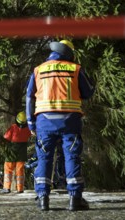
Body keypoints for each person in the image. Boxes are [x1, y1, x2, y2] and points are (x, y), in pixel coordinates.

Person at [26, 40, 94, 211]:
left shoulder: (38, 70)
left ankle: (43, 199)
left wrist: (30, 122)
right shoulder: (75, 69)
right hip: (70, 121)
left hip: (44, 122)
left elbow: (29, 97)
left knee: (44, 158)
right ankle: (75, 199)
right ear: (69, 53)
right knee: (72, 157)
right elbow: (88, 92)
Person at [0, 111, 31, 194]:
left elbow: (6, 138)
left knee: (8, 170)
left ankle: (6, 188)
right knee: (20, 171)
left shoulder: (13, 127)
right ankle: (20, 189)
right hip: (22, 153)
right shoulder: (28, 129)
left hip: (11, 152)